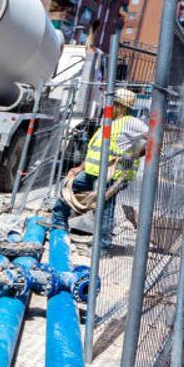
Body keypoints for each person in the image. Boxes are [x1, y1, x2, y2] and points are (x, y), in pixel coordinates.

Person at [50, 88, 148, 250]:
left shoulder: (131, 122)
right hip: (93, 171)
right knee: (66, 188)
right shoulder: (109, 121)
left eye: (112, 103)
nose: (106, 105)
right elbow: (97, 149)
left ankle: (102, 247)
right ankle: (59, 225)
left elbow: (153, 137)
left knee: (105, 209)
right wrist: (80, 167)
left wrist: (137, 155)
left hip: (112, 175)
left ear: (119, 105)